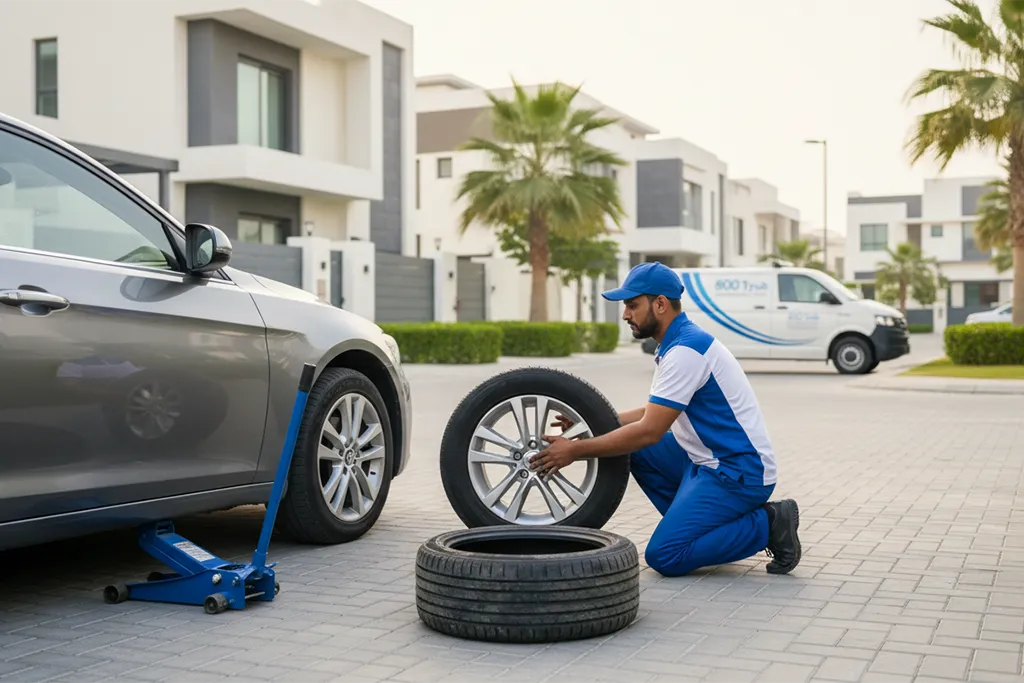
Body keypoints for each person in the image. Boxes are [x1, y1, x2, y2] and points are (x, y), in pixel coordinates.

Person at [530, 261, 801, 577]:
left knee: (665, 555)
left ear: (660, 304)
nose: (625, 314)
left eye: (632, 305)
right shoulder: (675, 343)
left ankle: (769, 523)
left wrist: (575, 450)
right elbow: (654, 412)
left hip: (737, 471)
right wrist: (595, 423)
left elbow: (649, 431)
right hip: (704, 460)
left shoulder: (686, 351)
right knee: (635, 450)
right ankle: (705, 528)